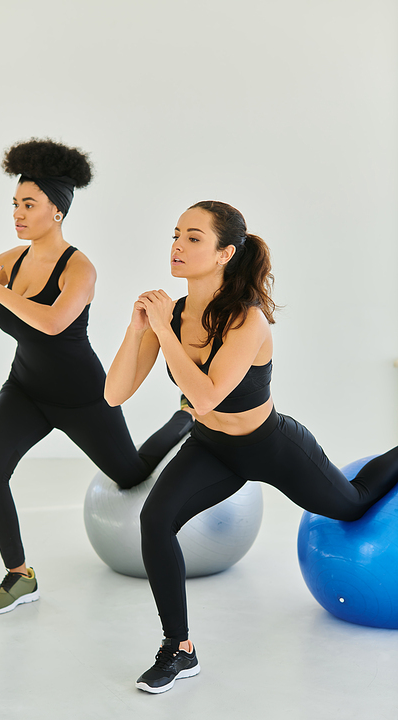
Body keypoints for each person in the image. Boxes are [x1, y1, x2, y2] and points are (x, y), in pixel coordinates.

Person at [105, 200, 398, 694]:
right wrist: (137, 331)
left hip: (271, 445)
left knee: (352, 505)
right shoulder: (170, 315)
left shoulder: (247, 319)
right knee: (155, 520)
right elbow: (114, 394)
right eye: (176, 234)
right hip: (211, 446)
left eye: (194, 238)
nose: (177, 246)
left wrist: (159, 330)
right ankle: (179, 649)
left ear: (225, 253)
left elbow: (204, 394)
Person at [0, 139, 192, 616]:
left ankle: (184, 419)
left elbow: (52, 322)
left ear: (57, 211)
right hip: (26, 389)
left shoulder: (80, 268)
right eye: (15, 203)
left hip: (81, 396)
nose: (18, 213)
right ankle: (19, 576)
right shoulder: (12, 259)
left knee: (131, 475)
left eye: (29, 205)